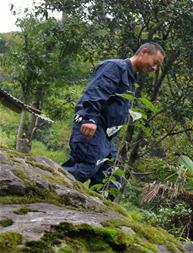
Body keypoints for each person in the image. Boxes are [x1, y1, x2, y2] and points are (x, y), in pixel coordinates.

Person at [63, 43, 165, 185]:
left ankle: (89, 206)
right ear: (144, 52)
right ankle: (44, 187)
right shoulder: (115, 67)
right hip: (92, 126)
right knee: (86, 168)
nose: (154, 68)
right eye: (155, 63)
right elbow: (95, 92)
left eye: (157, 66)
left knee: (113, 178)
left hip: (105, 136)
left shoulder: (131, 79)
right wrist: (89, 119)